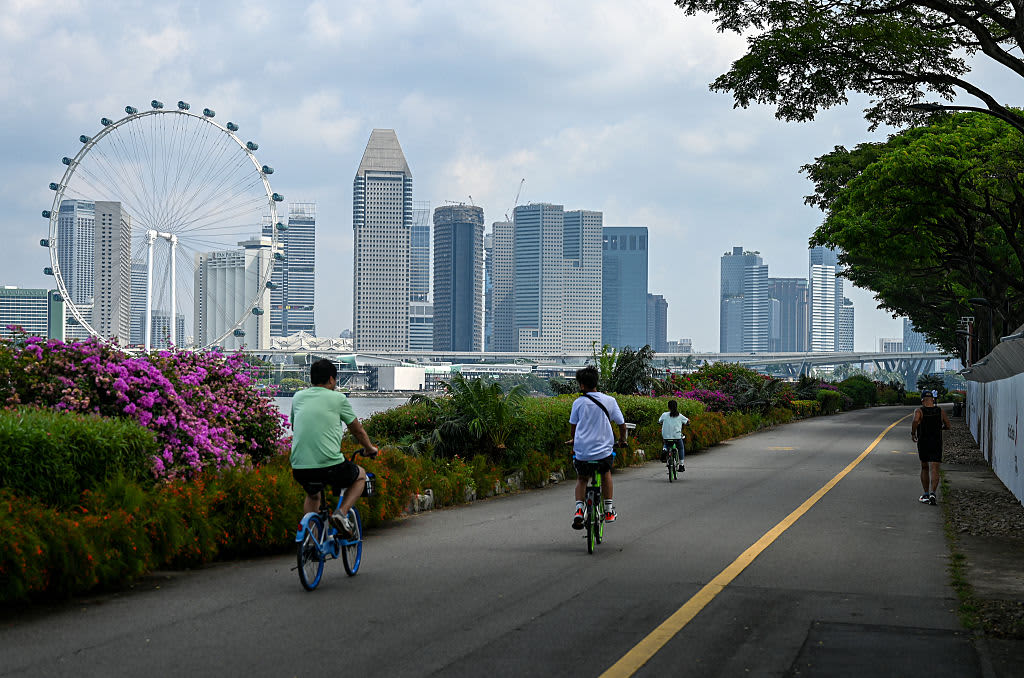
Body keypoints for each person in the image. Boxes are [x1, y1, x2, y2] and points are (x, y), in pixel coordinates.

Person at [290, 358, 378, 538]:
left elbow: (294, 426)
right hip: (329, 466)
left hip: (299, 467)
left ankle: (311, 541)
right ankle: (341, 514)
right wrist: (370, 448)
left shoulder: (298, 397)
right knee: (361, 476)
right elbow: (357, 431)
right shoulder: (338, 398)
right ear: (331, 379)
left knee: (313, 495)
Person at [567, 366, 627, 529]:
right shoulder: (609, 401)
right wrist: (622, 440)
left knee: (582, 479)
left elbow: (573, 427)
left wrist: (574, 441)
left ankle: (579, 510)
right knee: (605, 473)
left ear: (582, 385)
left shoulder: (578, 403)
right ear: (596, 382)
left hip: (583, 452)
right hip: (603, 452)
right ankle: (608, 510)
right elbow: (622, 425)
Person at [911, 389, 951, 505]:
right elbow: (948, 425)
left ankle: (926, 494)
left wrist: (913, 433)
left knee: (924, 467)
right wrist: (941, 428)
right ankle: (933, 493)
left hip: (923, 441)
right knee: (935, 468)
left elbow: (915, 420)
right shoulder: (940, 411)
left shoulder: (919, 411)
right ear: (933, 400)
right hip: (936, 442)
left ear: (922, 400)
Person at [659, 399, 690, 472]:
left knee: (666, 443)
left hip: (666, 436)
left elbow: (659, 421)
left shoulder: (664, 415)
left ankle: (664, 450)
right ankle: (681, 465)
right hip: (677, 437)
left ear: (668, 407)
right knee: (681, 448)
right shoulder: (680, 416)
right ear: (676, 407)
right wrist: (687, 423)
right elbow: (687, 421)